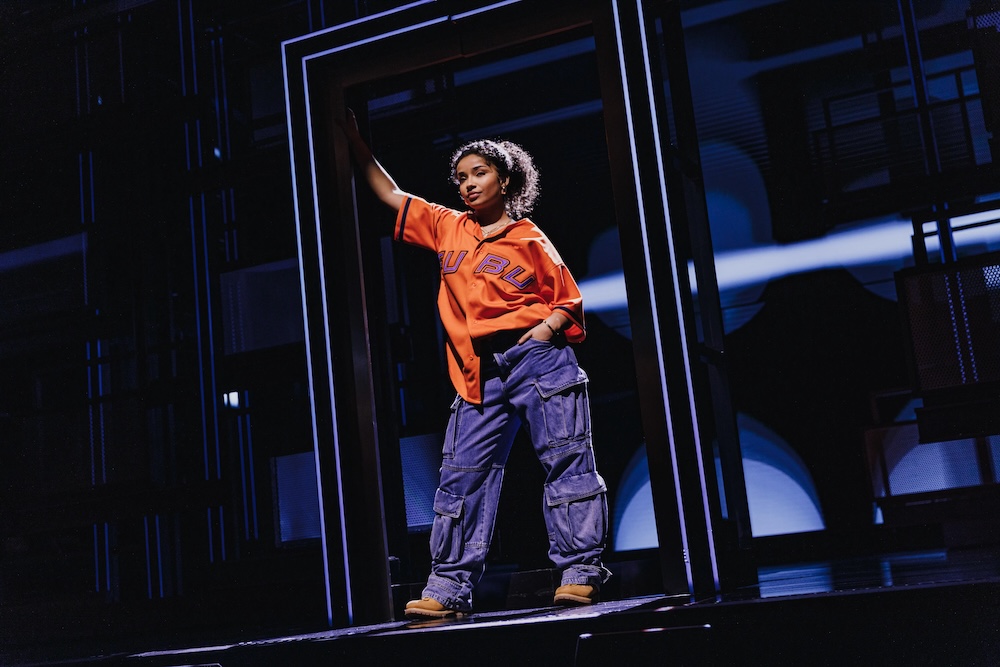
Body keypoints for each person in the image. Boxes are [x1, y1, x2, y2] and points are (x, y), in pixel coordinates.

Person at [339, 110, 611, 619]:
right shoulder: (448, 227)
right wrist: (354, 138)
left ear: (505, 180)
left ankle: (579, 573)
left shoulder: (529, 236)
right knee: (461, 476)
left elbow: (567, 299)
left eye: (478, 173)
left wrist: (545, 330)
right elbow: (390, 195)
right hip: (479, 372)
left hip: (537, 360)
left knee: (567, 462)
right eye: (460, 177)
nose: (467, 184)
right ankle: (447, 589)